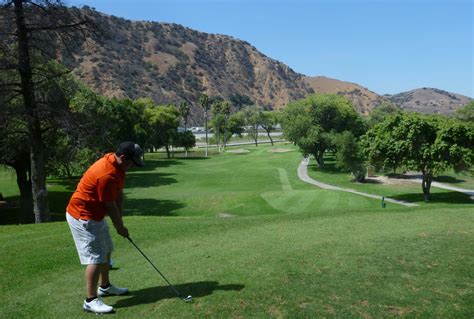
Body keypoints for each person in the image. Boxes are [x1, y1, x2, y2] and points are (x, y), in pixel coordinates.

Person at [66, 141, 145, 314]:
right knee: (95, 257)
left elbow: (119, 195)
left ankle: (105, 286)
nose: (132, 166)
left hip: (95, 214)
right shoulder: (106, 174)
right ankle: (90, 300)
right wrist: (120, 227)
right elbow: (110, 205)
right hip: (82, 215)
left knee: (106, 249)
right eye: (132, 162)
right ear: (123, 158)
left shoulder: (117, 165)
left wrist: (121, 221)